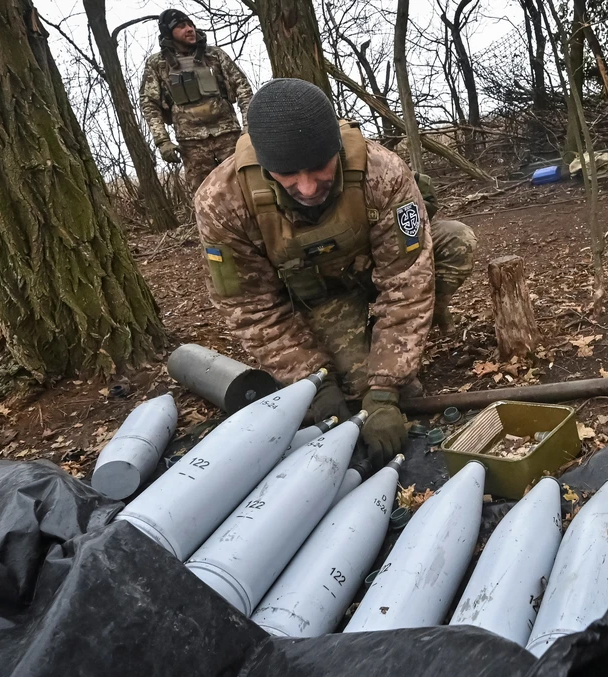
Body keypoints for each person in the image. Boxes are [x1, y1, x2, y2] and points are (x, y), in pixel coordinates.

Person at [194, 78, 477, 468]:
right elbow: (251, 308)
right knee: (351, 389)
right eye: (289, 174)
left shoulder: (383, 172)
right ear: (264, 165)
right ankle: (354, 347)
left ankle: (409, 337)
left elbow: (407, 281)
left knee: (456, 241)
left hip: (369, 273)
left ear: (338, 151)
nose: (307, 187)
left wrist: (385, 388)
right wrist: (313, 381)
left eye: (318, 168)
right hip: (313, 300)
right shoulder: (222, 201)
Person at [140, 9, 253, 192]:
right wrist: (162, 141)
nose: (189, 29)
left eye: (190, 24)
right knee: (204, 197)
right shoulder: (158, 64)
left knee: (245, 189)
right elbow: (149, 103)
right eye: (181, 26)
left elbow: (243, 89)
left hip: (229, 136)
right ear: (168, 32)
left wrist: (248, 127)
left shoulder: (214, 55)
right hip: (191, 144)